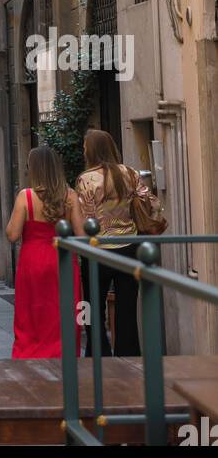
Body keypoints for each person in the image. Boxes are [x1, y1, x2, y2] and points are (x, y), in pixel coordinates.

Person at [6, 146, 84, 360]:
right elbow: (81, 234)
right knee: (65, 312)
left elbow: (12, 234)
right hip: (64, 261)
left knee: (30, 313)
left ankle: (29, 354)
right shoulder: (70, 196)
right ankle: (62, 354)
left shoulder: (26, 197)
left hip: (33, 262)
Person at [75, 128, 147, 357]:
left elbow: (86, 218)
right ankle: (129, 353)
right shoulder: (130, 173)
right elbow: (147, 201)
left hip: (97, 251)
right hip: (129, 247)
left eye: (85, 147)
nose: (83, 151)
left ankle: (97, 351)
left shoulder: (86, 179)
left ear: (93, 150)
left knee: (91, 305)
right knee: (127, 306)